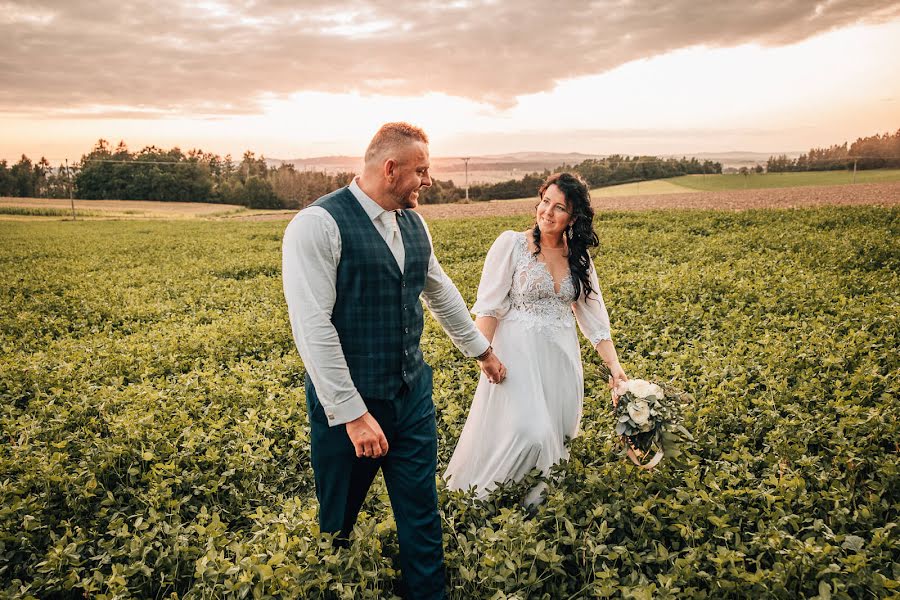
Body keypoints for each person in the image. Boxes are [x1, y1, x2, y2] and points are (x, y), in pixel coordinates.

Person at [282, 122, 505, 599]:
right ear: (390, 169)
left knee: (422, 514)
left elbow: (438, 290)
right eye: (421, 171)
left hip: (412, 397)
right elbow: (312, 327)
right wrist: (353, 415)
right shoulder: (317, 225)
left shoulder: (414, 222)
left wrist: (480, 350)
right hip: (349, 411)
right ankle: (332, 588)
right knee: (336, 524)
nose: (428, 180)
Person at [444, 172, 627, 506]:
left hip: (560, 362)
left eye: (559, 208)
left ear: (573, 217)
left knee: (556, 437)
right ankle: (485, 499)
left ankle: (533, 511)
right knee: (533, 433)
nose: (547, 212)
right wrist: (483, 355)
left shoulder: (579, 258)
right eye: (545, 201)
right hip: (516, 357)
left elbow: (595, 319)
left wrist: (615, 368)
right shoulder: (511, 244)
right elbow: (489, 306)